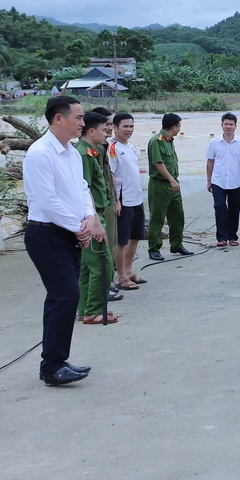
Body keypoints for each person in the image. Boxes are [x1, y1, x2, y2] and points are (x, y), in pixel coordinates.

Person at [23, 96, 102, 385]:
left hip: (69, 232)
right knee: (67, 295)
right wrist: (78, 227)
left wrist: (90, 218)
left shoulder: (71, 152)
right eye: (78, 117)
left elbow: (81, 188)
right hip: (46, 234)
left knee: (61, 297)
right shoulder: (40, 153)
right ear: (59, 118)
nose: (83, 122)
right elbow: (47, 201)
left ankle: (57, 361)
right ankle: (52, 366)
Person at [75, 112, 118, 325]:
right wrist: (94, 221)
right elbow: (84, 190)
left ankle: (84, 309)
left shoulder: (91, 152)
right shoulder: (83, 155)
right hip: (90, 217)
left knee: (87, 268)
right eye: (103, 129)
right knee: (103, 264)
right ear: (91, 131)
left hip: (95, 213)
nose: (107, 132)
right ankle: (93, 310)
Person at [147, 113, 194, 261]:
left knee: (177, 216)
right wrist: (172, 180)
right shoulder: (157, 141)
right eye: (179, 126)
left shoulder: (169, 140)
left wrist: (174, 181)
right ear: (174, 127)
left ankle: (176, 244)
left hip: (173, 184)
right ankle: (154, 248)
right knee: (157, 218)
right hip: (160, 185)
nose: (179, 129)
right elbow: (158, 163)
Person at [109, 112, 147, 290]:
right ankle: (120, 276)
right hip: (123, 200)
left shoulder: (130, 147)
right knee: (122, 240)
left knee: (135, 237)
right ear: (115, 127)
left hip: (136, 198)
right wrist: (116, 201)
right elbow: (111, 176)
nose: (129, 130)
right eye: (125, 126)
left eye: (131, 126)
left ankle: (129, 270)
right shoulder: (112, 148)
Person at [206, 112, 240, 248]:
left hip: (236, 181)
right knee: (219, 207)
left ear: (235, 126)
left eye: (231, 124)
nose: (228, 126)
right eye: (226, 124)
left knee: (234, 209)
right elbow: (210, 162)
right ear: (222, 125)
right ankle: (221, 238)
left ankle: (232, 236)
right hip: (218, 181)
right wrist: (209, 180)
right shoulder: (214, 142)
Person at [90, 106, 121, 301]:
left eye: (110, 124)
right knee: (104, 249)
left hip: (108, 200)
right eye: (107, 124)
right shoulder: (92, 149)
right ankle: (103, 286)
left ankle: (108, 282)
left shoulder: (103, 146)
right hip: (100, 204)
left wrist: (116, 199)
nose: (110, 128)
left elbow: (109, 176)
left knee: (112, 245)